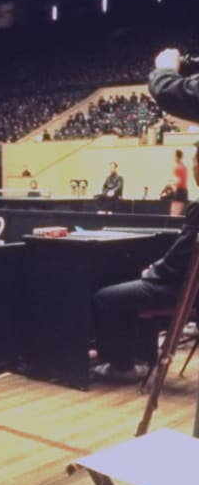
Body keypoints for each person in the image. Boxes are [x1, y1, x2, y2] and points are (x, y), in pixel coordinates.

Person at [91, 144, 199, 382]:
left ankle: (121, 366)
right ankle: (142, 355)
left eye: (195, 161)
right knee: (128, 291)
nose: (193, 167)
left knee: (106, 297)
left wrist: (152, 271)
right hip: (191, 289)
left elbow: (179, 259)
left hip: (181, 292)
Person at [171, 149, 189, 217]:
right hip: (184, 191)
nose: (173, 158)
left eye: (174, 156)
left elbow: (180, 182)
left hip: (180, 191)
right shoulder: (184, 167)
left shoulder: (178, 168)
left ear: (177, 157)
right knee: (182, 214)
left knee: (174, 214)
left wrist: (172, 183)